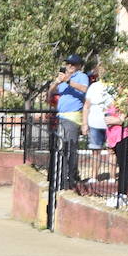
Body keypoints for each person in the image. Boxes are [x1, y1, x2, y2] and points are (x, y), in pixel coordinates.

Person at [52, 54, 89, 190]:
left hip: (72, 117)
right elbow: (51, 93)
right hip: (61, 117)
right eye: (68, 64)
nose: (70, 66)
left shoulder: (81, 77)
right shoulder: (65, 79)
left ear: (79, 66)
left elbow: (85, 89)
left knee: (70, 147)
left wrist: (68, 81)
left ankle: (71, 177)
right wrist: (57, 82)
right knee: (61, 147)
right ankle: (62, 175)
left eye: (73, 64)